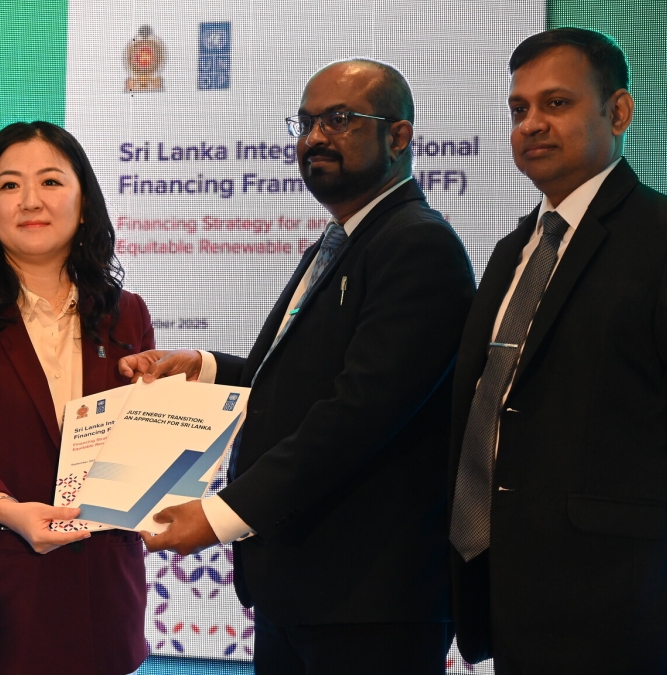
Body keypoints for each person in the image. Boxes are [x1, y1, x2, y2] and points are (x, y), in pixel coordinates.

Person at [118, 60, 476, 674]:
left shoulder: (417, 245)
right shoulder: (341, 241)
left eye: (339, 119)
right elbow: (299, 384)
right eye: (305, 123)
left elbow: (358, 414)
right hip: (305, 592)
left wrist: (220, 515)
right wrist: (202, 370)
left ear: (398, 136)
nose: (314, 138)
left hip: (368, 603)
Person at [446, 28, 667, 675]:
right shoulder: (513, 250)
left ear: (618, 112)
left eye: (557, 103)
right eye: (519, 109)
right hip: (511, 597)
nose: (533, 124)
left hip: (622, 610)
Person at [0, 121, 153, 675]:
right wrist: (12, 513)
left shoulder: (126, 314)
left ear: (84, 202)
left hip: (101, 598)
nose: (30, 201)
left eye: (49, 181)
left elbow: (134, 453)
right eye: (9, 185)